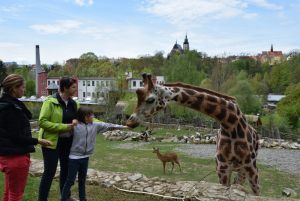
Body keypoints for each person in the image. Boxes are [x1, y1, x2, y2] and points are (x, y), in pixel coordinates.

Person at [0, 74, 52, 201]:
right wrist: (38, 141)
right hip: (16, 157)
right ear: (14, 88)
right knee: (16, 195)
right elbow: (16, 136)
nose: (24, 89)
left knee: (9, 192)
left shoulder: (6, 105)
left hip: (7, 155)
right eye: (22, 87)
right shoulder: (11, 109)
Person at [61, 107, 128, 201]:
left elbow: (109, 125)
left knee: (82, 181)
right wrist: (70, 126)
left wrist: (125, 127)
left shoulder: (95, 125)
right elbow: (62, 134)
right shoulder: (75, 126)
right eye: (90, 115)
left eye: (92, 114)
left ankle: (83, 199)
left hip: (85, 157)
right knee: (70, 180)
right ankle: (63, 199)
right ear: (83, 116)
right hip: (74, 158)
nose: (92, 116)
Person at [38, 77, 79, 201]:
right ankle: (42, 199)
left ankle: (65, 197)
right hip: (51, 142)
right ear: (65, 88)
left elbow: (80, 118)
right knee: (49, 172)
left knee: (66, 171)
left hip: (68, 143)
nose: (75, 89)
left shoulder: (73, 103)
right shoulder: (50, 102)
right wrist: (64, 127)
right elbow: (42, 122)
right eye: (73, 87)